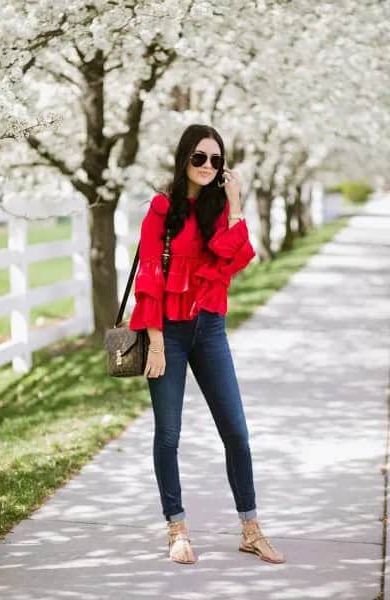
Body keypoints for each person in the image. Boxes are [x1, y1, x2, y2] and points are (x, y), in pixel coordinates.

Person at [128, 123, 286, 565]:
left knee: (236, 430)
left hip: (210, 328)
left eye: (216, 159)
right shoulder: (161, 209)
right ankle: (177, 528)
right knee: (169, 433)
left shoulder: (218, 209)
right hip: (169, 333)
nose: (207, 166)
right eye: (199, 157)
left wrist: (234, 204)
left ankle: (250, 530)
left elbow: (235, 256)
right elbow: (149, 277)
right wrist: (155, 342)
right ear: (184, 159)